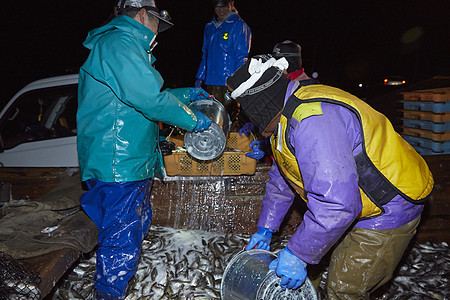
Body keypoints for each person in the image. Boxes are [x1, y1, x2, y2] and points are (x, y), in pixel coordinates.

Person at [226, 54, 434, 299]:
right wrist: (266, 228)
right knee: (313, 260)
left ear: (260, 104)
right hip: (353, 198)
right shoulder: (287, 113)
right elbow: (281, 178)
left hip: (389, 202)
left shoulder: (311, 121)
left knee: (343, 288)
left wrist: (297, 255)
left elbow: (337, 205)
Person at [76, 1, 212, 299]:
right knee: (121, 239)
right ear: (142, 15)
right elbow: (150, 100)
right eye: (156, 24)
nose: (157, 31)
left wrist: (187, 95)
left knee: (131, 227)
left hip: (129, 161)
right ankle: (108, 294)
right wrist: (193, 120)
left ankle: (116, 286)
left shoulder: (124, 45)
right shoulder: (118, 43)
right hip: (118, 162)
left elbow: (141, 96)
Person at [195, 0, 251, 118]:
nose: (221, 10)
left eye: (224, 6)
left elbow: (242, 57)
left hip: (228, 84)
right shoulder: (209, 27)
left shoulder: (239, 25)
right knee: (209, 117)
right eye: (217, 6)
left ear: (231, 4)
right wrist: (199, 77)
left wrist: (236, 82)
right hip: (210, 83)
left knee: (227, 118)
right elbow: (205, 54)